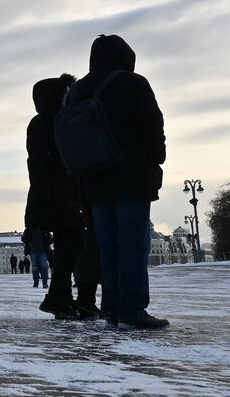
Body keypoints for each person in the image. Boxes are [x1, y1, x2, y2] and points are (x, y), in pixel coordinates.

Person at [71, 35, 168, 329]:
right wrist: (157, 155)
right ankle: (132, 308)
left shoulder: (78, 89)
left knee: (107, 246)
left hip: (95, 181)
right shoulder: (134, 83)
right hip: (131, 178)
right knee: (132, 245)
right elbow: (151, 125)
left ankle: (112, 306)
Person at [25, 73, 99, 320]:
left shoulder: (54, 121)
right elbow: (38, 165)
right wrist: (43, 199)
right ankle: (56, 297)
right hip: (55, 194)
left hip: (64, 192)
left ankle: (63, 298)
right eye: (64, 94)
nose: (67, 97)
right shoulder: (44, 124)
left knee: (70, 244)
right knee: (74, 243)